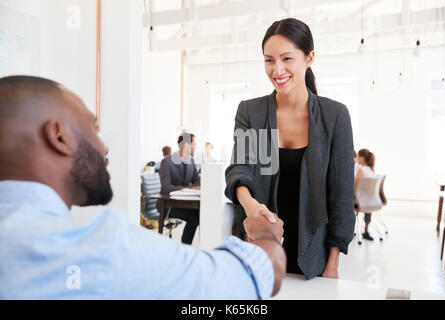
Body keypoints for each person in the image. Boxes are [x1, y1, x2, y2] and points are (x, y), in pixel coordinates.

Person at [0, 75, 286, 299]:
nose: (104, 146)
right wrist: (267, 235)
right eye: (94, 128)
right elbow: (253, 275)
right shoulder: (99, 252)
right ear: (59, 137)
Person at [225, 18, 355, 280]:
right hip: (259, 251)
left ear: (309, 58)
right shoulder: (253, 112)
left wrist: (332, 266)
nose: (277, 69)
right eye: (269, 60)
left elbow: (341, 197)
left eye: (287, 58)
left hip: (313, 259)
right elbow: (241, 167)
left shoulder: (334, 116)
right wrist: (250, 205)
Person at [158, 132, 201, 244]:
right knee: (194, 217)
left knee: (199, 213)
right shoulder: (166, 162)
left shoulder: (190, 161)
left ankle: (186, 247)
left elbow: (197, 181)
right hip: (168, 205)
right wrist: (188, 189)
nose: (195, 147)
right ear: (186, 144)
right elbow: (166, 187)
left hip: (185, 203)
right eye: (194, 144)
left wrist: (191, 188)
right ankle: (185, 248)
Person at [354, 148, 377, 241]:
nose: (357, 158)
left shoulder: (361, 169)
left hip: (359, 201)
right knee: (366, 201)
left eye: (358, 156)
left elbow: (355, 185)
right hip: (370, 201)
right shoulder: (372, 170)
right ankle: (366, 231)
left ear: (362, 158)